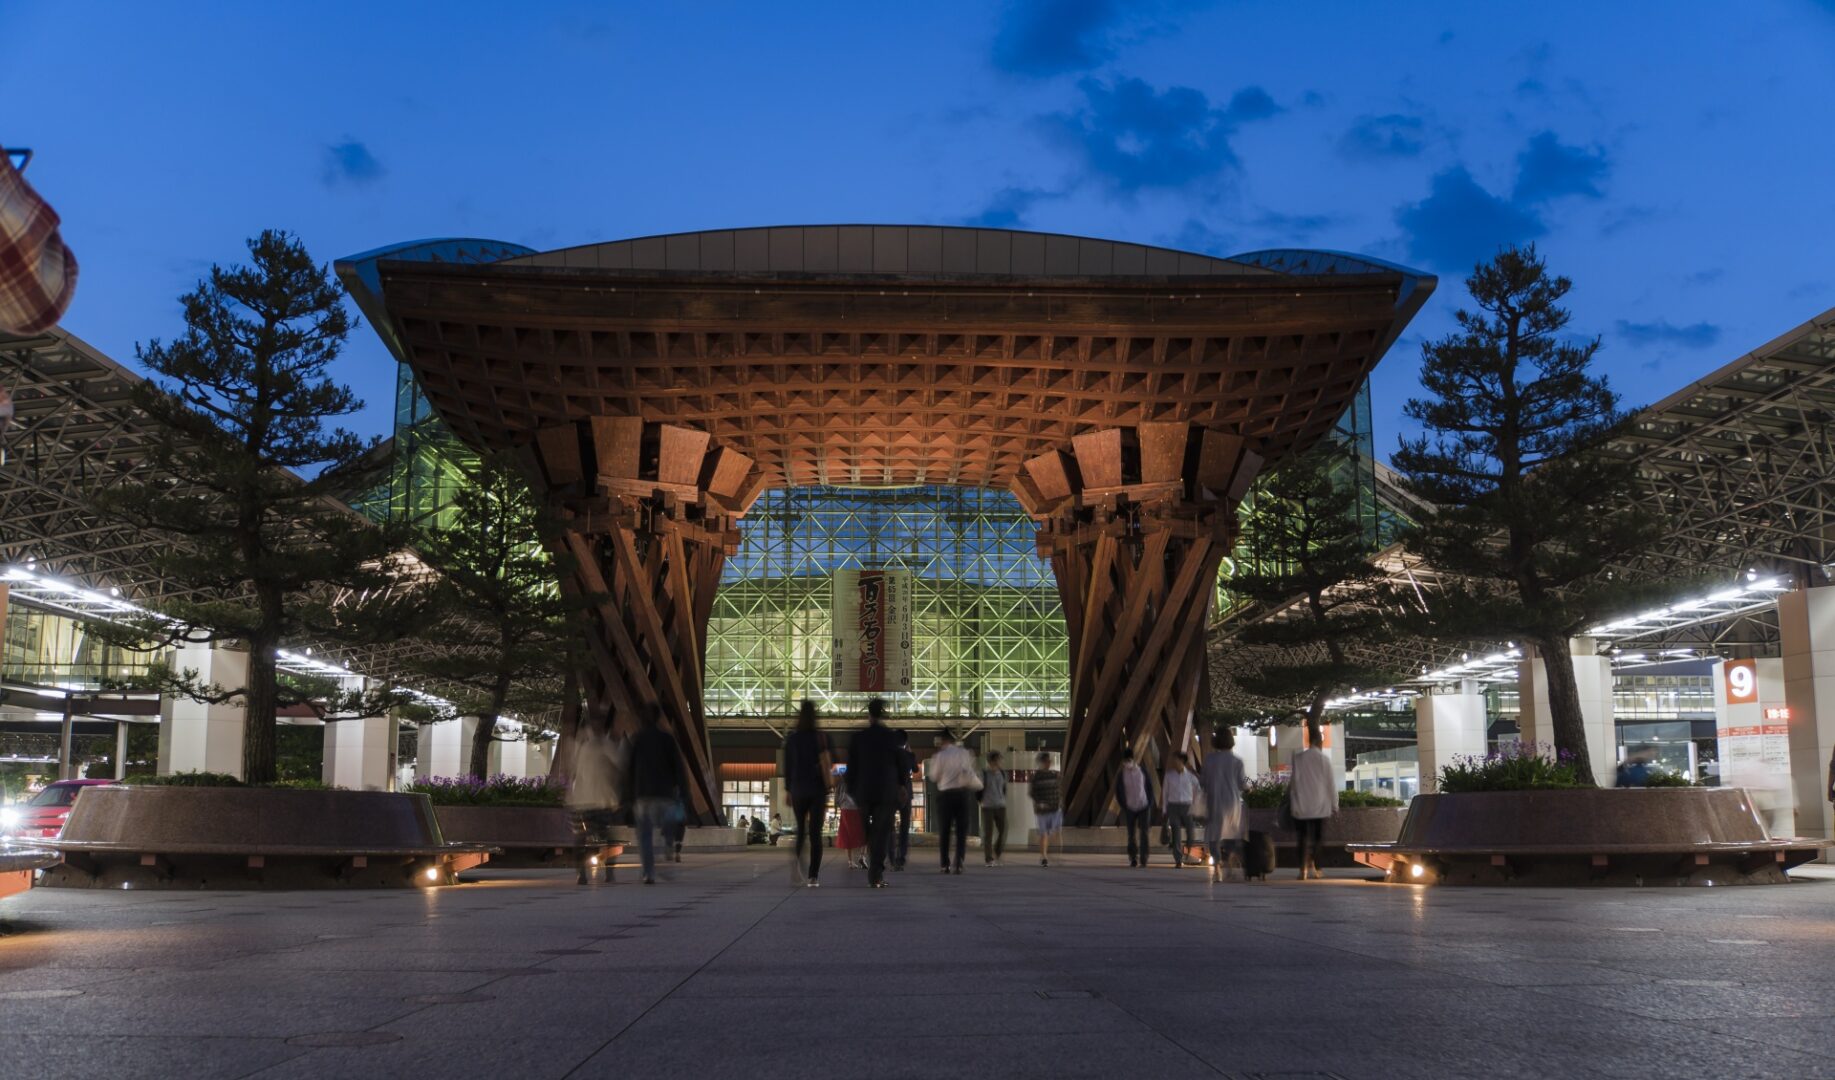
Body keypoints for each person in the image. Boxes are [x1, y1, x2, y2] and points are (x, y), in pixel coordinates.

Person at [845, 697, 906, 888]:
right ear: (883, 714)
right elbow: (900, 763)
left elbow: (851, 768)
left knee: (870, 832)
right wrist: (901, 785)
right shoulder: (890, 737)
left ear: (869, 714)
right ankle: (876, 874)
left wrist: (853, 791)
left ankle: (872, 860)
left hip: (864, 792)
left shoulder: (858, 738)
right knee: (882, 832)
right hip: (885, 792)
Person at [630, 704, 686, 885]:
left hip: (643, 795)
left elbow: (629, 768)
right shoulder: (667, 739)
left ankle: (649, 872)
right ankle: (667, 845)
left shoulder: (637, 739)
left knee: (645, 836)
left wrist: (627, 794)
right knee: (667, 825)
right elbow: (678, 767)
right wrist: (683, 790)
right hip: (664, 794)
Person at [929, 729, 981, 874]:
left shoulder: (939, 756)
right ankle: (958, 862)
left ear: (942, 740)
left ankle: (944, 864)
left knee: (944, 832)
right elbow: (970, 773)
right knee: (961, 831)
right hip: (962, 794)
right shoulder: (964, 753)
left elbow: (934, 777)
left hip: (945, 796)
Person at [1200, 729, 1247, 883]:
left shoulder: (1209, 760)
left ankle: (1218, 865)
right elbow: (1241, 784)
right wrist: (1249, 789)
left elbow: (1203, 782)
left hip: (1214, 801)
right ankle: (1229, 862)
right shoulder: (1237, 761)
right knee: (1231, 834)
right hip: (1232, 803)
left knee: (1214, 835)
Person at [1288, 738, 1340, 881]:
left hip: (1302, 806)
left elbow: (1293, 784)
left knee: (1302, 838)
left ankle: (1302, 870)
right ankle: (1317, 869)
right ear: (1320, 744)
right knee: (1318, 838)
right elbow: (1331, 785)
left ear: (1309, 742)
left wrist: (1293, 803)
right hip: (1320, 806)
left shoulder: (1298, 759)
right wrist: (1335, 805)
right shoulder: (1324, 760)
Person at [1115, 747, 1155, 868]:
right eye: (1125, 761)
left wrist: (1149, 803)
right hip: (1130, 807)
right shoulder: (1122, 774)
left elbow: (1149, 787)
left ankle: (1144, 858)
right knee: (1131, 834)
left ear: (1132, 759)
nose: (1127, 763)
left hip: (1143, 805)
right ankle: (1133, 858)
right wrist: (1124, 805)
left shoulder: (1142, 771)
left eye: (1128, 760)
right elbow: (1118, 791)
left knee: (1144, 833)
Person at [1161, 751, 1200, 869]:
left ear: (1182, 761)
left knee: (1190, 831)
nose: (1174, 762)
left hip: (1187, 806)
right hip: (1173, 806)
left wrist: (1195, 804)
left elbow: (1198, 789)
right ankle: (1178, 859)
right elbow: (1165, 793)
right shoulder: (1169, 775)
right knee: (1176, 832)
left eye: (1176, 760)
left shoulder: (1190, 776)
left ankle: (1188, 850)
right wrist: (1164, 809)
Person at [1031, 752, 1063, 866]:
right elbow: (1033, 793)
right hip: (1043, 809)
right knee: (1044, 833)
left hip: (1054, 808)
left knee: (1055, 832)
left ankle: (1053, 854)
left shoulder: (1054, 775)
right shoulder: (1037, 777)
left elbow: (1059, 790)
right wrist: (1039, 803)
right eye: (1046, 761)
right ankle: (1044, 856)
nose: (1048, 763)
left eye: (1048, 761)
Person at [891, 729, 917, 870]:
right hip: (906, 792)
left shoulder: (889, 755)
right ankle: (901, 856)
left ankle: (890, 855)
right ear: (906, 742)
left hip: (892, 792)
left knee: (890, 826)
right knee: (905, 825)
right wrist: (910, 753)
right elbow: (916, 770)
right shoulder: (909, 755)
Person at [980, 750, 1008, 866]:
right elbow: (978, 789)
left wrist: (1002, 799)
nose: (1000, 762)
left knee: (1003, 830)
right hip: (987, 806)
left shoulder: (1003, 773)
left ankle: (997, 850)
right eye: (998, 760)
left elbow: (1004, 788)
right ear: (992, 761)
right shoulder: (984, 774)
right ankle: (988, 858)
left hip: (1001, 805)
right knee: (988, 833)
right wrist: (980, 800)